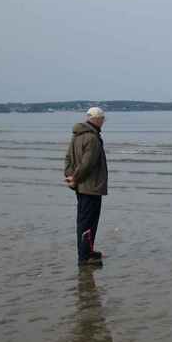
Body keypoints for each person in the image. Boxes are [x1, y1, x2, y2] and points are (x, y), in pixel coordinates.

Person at [64, 107, 109, 266]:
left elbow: (68, 159)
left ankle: (87, 251)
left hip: (82, 186)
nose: (103, 122)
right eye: (103, 119)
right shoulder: (92, 138)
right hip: (91, 186)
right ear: (96, 119)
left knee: (84, 220)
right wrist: (75, 178)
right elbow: (87, 164)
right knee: (88, 222)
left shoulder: (77, 136)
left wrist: (70, 177)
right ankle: (85, 256)